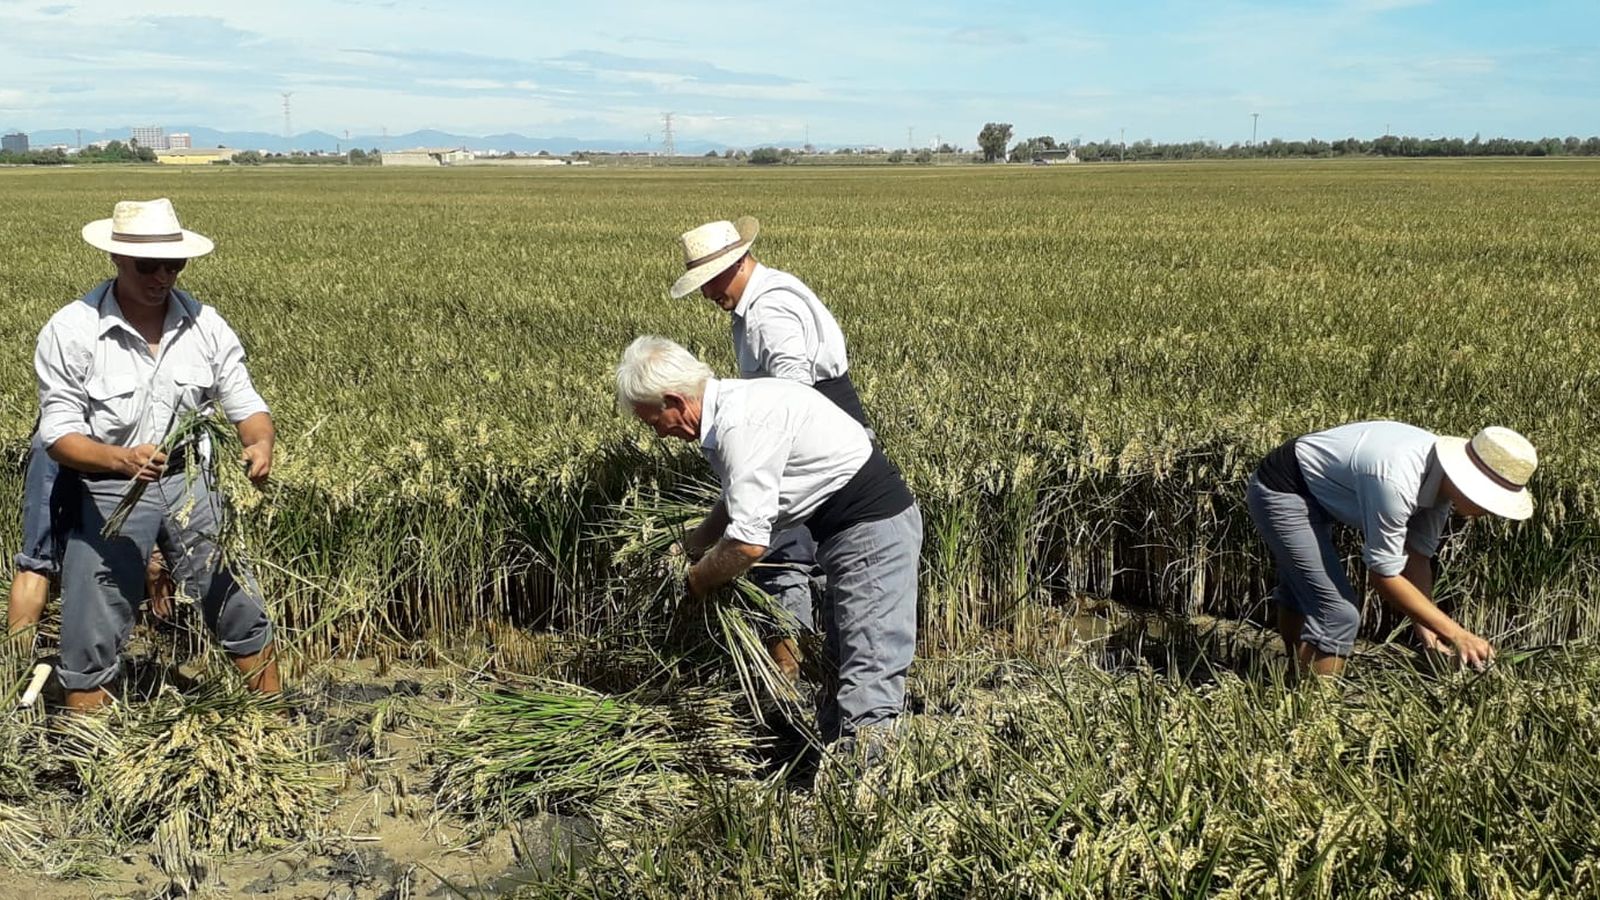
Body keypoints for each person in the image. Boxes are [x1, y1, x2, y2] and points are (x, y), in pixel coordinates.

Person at [617, 336, 921, 748]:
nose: (659, 435)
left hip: (871, 535)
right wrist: (696, 542)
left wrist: (696, 582)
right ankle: (835, 775)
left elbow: (747, 544)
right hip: (846, 536)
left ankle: (869, 791)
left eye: (654, 422)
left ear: (675, 400)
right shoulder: (733, 408)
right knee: (838, 666)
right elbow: (740, 498)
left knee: (868, 669)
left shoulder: (739, 426)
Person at [36, 198, 280, 711]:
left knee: (236, 600)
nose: (163, 276)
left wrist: (259, 443)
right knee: (92, 624)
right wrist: (119, 460)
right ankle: (89, 755)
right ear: (117, 260)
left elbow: (246, 403)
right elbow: (58, 436)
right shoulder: (73, 329)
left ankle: (274, 721)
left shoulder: (205, 324)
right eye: (149, 265)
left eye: (175, 264)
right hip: (106, 490)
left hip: (192, 482)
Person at [669, 216, 870, 683]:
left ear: (737, 263)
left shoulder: (766, 312)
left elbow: (792, 397)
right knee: (816, 553)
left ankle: (789, 673)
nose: (706, 295)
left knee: (778, 555)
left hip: (802, 439)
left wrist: (757, 467)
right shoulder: (767, 294)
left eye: (710, 281)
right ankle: (823, 664)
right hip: (820, 435)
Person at [1245, 421, 1537, 678]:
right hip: (1284, 489)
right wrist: (1457, 634)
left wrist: (1431, 639)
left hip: (1320, 489)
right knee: (1338, 613)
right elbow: (1383, 576)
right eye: (1488, 500)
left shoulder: (1442, 487)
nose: (1489, 511)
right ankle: (1315, 715)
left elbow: (1417, 559)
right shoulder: (1396, 481)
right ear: (1466, 480)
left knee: (1303, 590)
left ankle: (1295, 678)